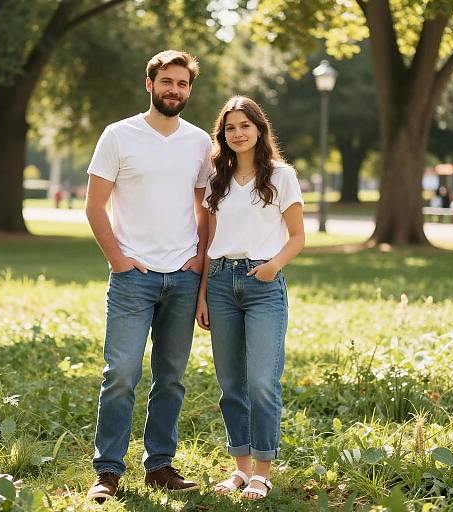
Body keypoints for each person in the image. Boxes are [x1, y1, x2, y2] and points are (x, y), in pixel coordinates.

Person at [85, 50, 211, 502]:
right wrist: (119, 260)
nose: (175, 90)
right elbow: (94, 206)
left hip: (182, 276)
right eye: (168, 82)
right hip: (132, 276)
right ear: (150, 84)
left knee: (171, 377)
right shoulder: (118, 136)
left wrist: (198, 260)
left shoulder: (199, 142)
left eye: (183, 84)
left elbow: (204, 209)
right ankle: (108, 471)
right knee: (120, 372)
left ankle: (159, 466)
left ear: (189, 90)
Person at [196, 96, 305, 500]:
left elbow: (298, 237)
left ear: (259, 129)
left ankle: (262, 470)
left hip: (263, 285)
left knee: (261, 381)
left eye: (245, 125)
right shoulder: (217, 179)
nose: (238, 133)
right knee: (230, 384)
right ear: (222, 135)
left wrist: (274, 266)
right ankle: (240, 469)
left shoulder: (281, 176)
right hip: (221, 284)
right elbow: (208, 241)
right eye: (230, 128)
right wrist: (203, 295)